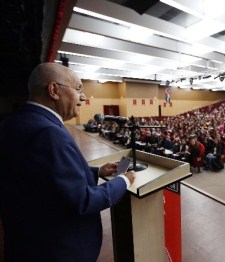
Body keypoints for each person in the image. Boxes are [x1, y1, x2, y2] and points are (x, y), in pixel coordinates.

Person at [0, 63, 136, 261]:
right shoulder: (48, 132)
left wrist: (97, 171)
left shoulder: (11, 123)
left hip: (25, 239)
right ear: (54, 90)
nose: (84, 97)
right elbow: (83, 200)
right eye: (79, 88)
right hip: (58, 249)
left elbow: (44, 175)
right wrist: (124, 180)